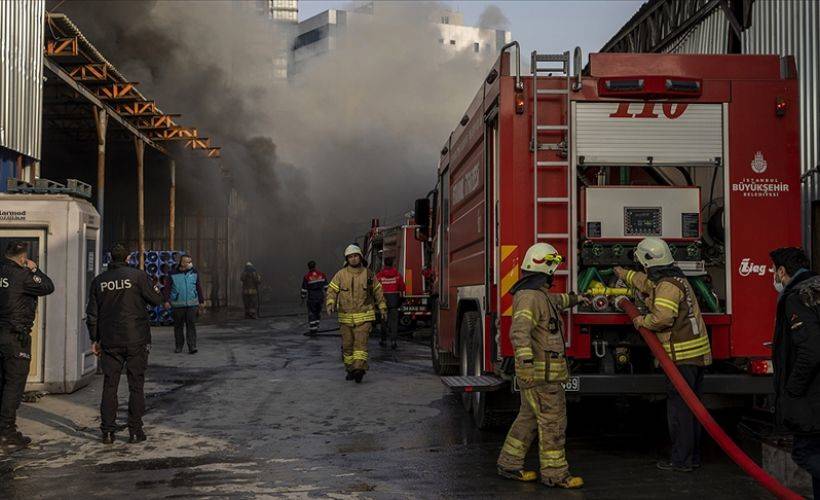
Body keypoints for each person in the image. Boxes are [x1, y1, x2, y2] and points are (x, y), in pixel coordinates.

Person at [614, 237, 712, 473]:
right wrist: (624, 273)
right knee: (692, 410)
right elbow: (646, 284)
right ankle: (692, 457)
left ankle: (681, 461)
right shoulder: (675, 280)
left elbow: (662, 319)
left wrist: (639, 320)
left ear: (648, 261)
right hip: (694, 358)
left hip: (681, 358)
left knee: (680, 413)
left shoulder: (666, 287)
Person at [497, 243, 587, 489]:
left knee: (527, 418)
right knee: (553, 422)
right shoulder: (529, 298)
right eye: (553, 268)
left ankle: (509, 463)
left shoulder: (537, 295)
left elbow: (555, 301)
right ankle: (556, 475)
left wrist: (578, 298)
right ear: (545, 269)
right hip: (541, 376)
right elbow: (519, 333)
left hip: (541, 375)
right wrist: (525, 366)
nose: (554, 273)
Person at [86, 244, 163, 444]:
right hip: (136, 338)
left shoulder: (99, 281)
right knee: (136, 385)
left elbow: (92, 314)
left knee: (110, 385)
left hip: (110, 340)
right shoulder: (138, 276)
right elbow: (156, 300)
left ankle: (108, 432)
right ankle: (135, 430)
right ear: (128, 258)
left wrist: (95, 339)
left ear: (111, 257)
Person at [769, 247, 820, 498]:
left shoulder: (797, 297)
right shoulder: (815, 289)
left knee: (804, 451)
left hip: (811, 395)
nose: (774, 277)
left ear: (781, 271)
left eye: (774, 271)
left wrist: (792, 390)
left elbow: (810, 351)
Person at [0, 241, 54, 448]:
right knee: (14, 385)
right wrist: (34, 268)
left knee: (2, 383)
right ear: (22, 258)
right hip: (15, 338)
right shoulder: (23, 276)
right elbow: (48, 286)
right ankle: (7, 432)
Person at [325, 245, 386, 383]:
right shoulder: (340, 275)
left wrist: (382, 308)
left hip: (364, 316)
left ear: (360, 257)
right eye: (350, 257)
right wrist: (330, 304)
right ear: (347, 259)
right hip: (345, 317)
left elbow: (378, 291)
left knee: (360, 345)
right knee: (347, 346)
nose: (353, 259)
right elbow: (332, 291)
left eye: (356, 256)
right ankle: (350, 368)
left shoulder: (369, 274)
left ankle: (359, 369)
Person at [163, 254, 203, 354]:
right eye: (188, 261)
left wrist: (201, 301)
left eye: (190, 261)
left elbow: (198, 287)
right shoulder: (172, 274)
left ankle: (192, 346)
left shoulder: (194, 272)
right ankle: (179, 346)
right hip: (177, 304)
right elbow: (167, 288)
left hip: (192, 304)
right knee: (178, 326)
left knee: (191, 325)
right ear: (182, 263)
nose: (190, 263)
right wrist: (166, 300)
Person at [376, 257, 405, 349]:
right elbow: (402, 288)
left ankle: (383, 340)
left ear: (384, 264)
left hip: (383, 302)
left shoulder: (379, 275)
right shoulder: (397, 275)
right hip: (394, 302)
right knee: (394, 322)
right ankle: (393, 341)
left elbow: (375, 288)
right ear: (392, 264)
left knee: (383, 321)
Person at [301, 261, 327, 335]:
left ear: (308, 267)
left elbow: (304, 289)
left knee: (312, 312)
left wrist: (303, 297)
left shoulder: (307, 276)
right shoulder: (322, 274)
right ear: (315, 266)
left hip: (312, 297)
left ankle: (313, 330)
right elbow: (326, 287)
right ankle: (317, 326)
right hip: (320, 296)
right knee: (318, 312)